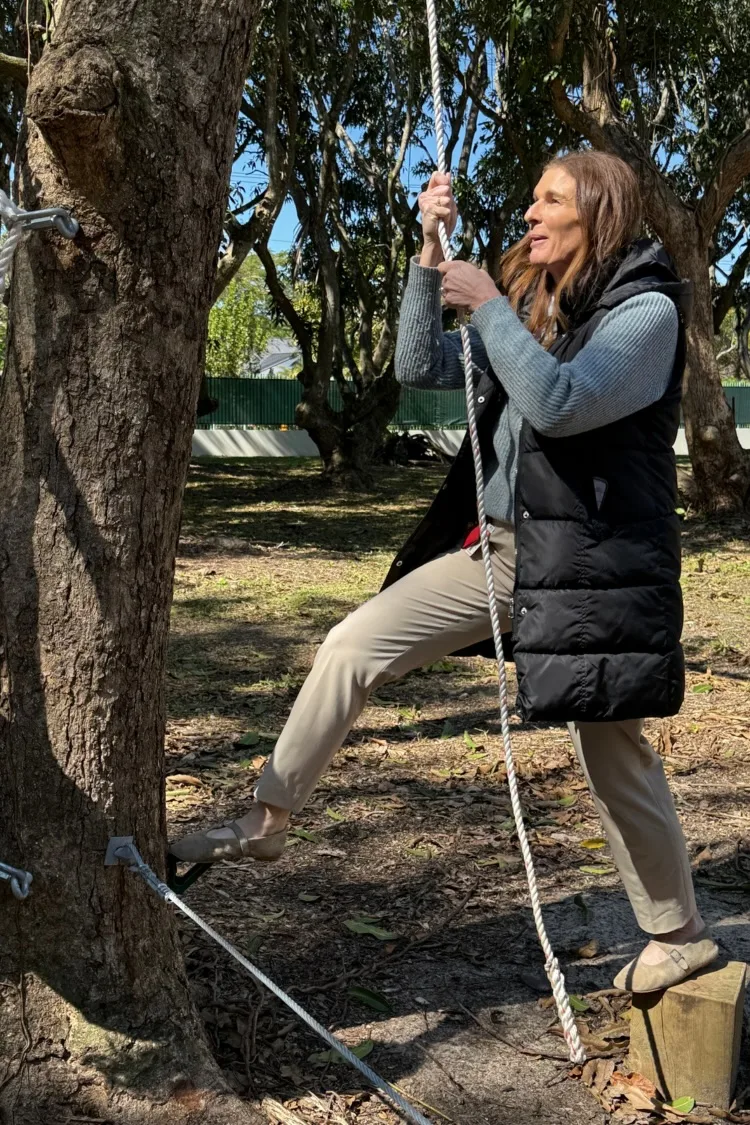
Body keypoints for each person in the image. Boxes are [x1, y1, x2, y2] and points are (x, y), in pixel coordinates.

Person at [172, 151, 717, 993]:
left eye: (550, 200)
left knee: (613, 749)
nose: (530, 213)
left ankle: (678, 932)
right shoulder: (539, 309)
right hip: (497, 555)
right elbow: (418, 368)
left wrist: (494, 307)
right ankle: (266, 816)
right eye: (531, 198)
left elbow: (563, 405)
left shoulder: (645, 314)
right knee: (352, 643)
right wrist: (429, 253)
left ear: (599, 214)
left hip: (592, 568)